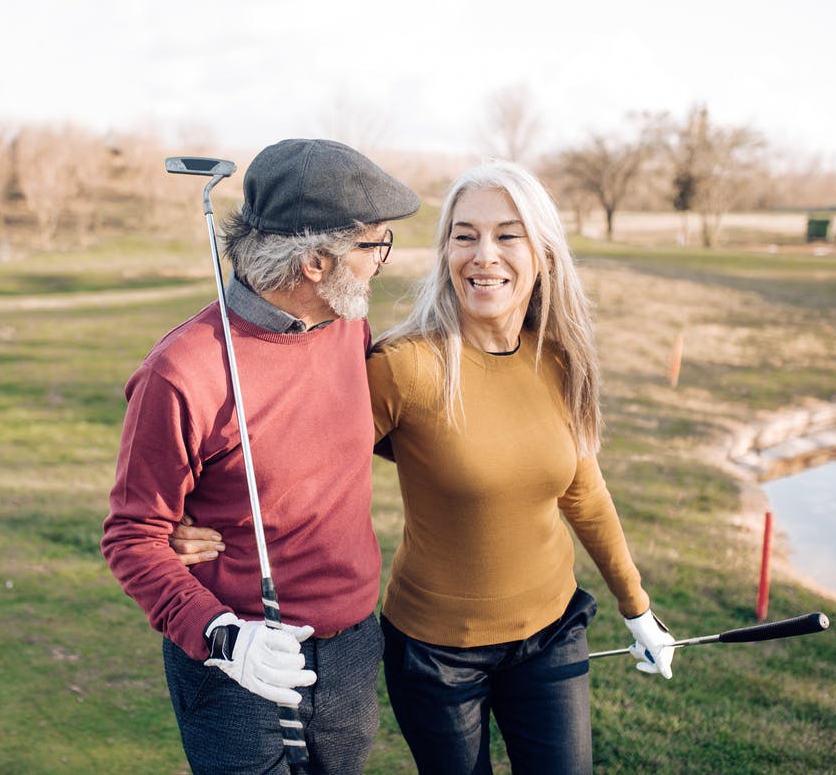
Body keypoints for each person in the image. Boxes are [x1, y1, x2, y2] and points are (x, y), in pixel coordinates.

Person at [174, 160, 679, 773]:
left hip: (552, 631)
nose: (484, 255)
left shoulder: (559, 358)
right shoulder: (404, 367)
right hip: (438, 657)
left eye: (507, 234)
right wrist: (191, 520)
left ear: (543, 252)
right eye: (464, 236)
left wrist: (637, 607)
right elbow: (300, 464)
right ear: (445, 253)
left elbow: (585, 492)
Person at [101, 138, 420, 774]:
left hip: (354, 650)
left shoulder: (348, 326)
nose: (382, 261)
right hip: (238, 662)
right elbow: (132, 537)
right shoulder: (181, 373)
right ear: (315, 262)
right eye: (373, 245)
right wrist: (221, 635)